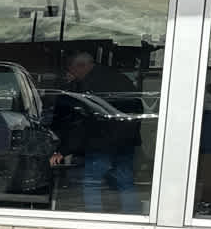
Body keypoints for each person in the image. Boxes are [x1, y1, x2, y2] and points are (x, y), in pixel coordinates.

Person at [47, 51, 143, 214]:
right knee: (125, 181)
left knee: (92, 182)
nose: (71, 73)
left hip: (101, 142)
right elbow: (137, 108)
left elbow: (82, 122)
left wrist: (63, 150)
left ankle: (94, 218)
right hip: (125, 140)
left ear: (82, 66)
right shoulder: (118, 78)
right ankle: (132, 216)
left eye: (72, 69)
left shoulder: (89, 85)